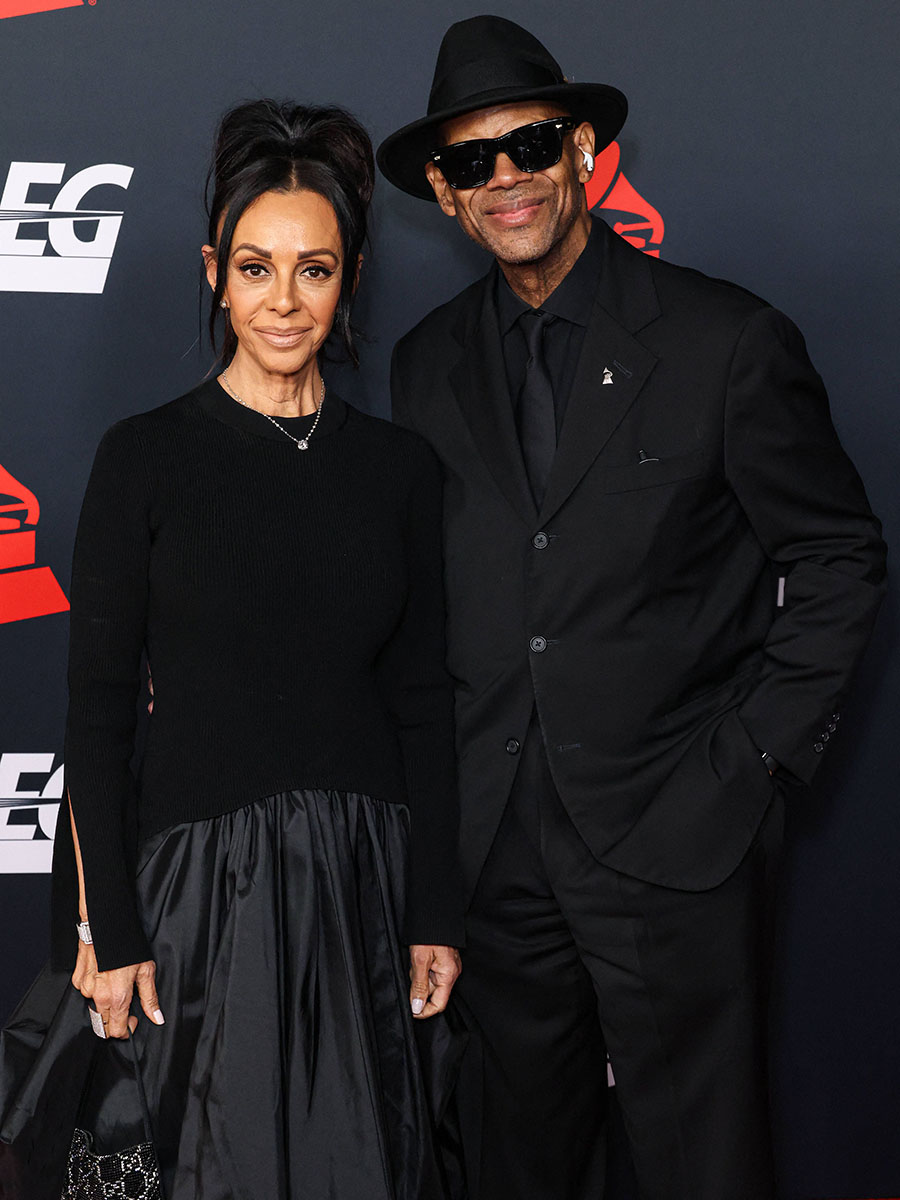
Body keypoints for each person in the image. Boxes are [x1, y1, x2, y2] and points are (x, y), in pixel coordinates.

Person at [377, 16, 887, 1200]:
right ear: (445, 194)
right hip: (495, 855)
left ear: (583, 151)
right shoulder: (423, 365)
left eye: (530, 145)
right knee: (517, 1168)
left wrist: (748, 765)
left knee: (703, 1167)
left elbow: (838, 557)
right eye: (471, 161)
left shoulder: (725, 340)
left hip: (679, 837)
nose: (505, 179)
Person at [0, 99, 462, 1200]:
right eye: (256, 268)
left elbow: (423, 703)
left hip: (361, 886)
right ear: (216, 274)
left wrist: (434, 911)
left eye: (314, 269)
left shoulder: (399, 471)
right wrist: (109, 927)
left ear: (349, 278)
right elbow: (98, 713)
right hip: (194, 894)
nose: (283, 301)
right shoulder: (144, 458)